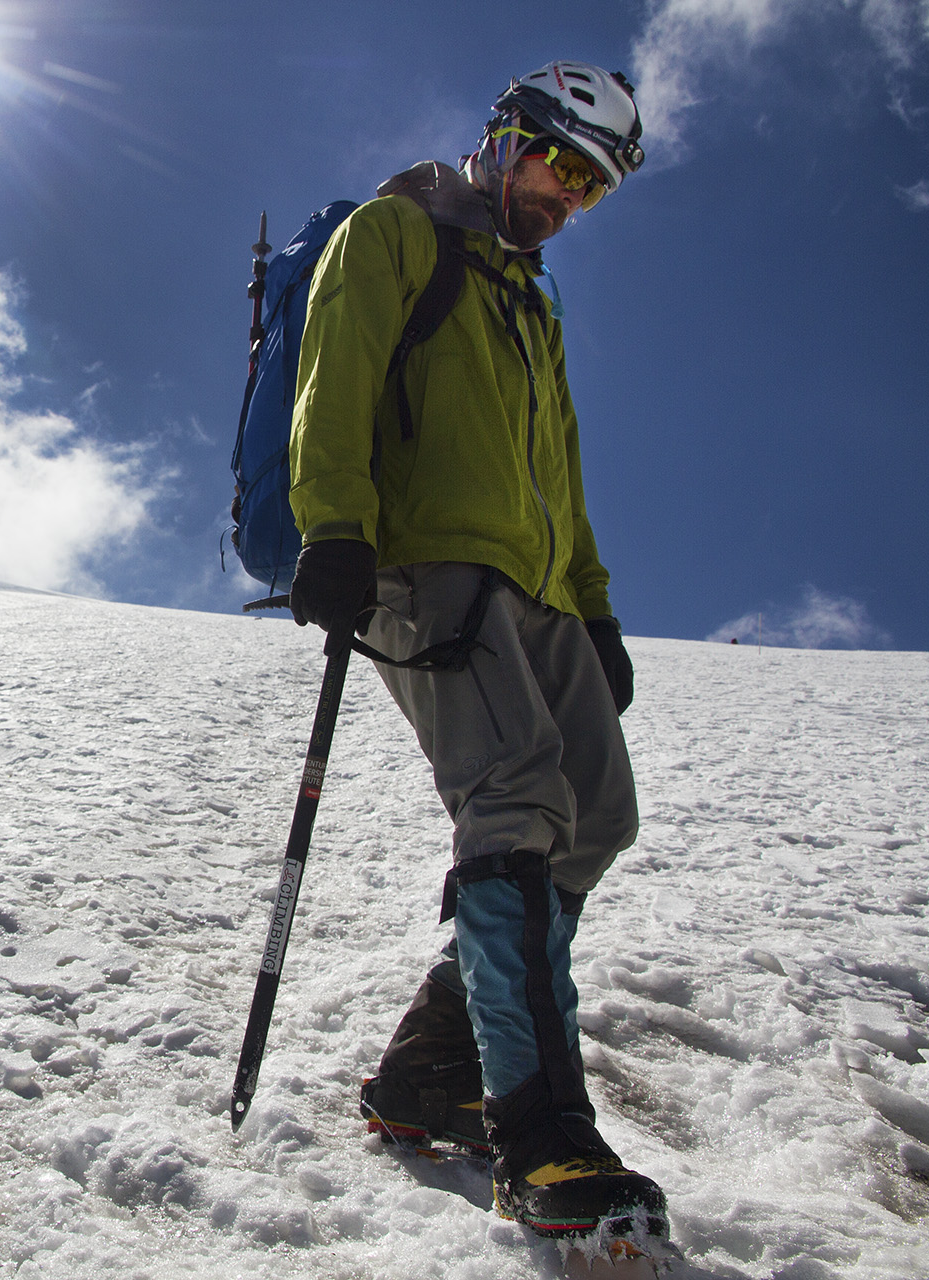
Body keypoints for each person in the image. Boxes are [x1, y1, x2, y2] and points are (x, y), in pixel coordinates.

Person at [284, 62, 667, 1240]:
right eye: (560, 165)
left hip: (541, 589)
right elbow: (331, 378)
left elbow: (564, 475)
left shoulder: (533, 307)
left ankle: (422, 1077)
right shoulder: (395, 233)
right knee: (512, 800)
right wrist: (336, 528)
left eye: (591, 190)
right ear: (505, 138)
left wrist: (593, 607)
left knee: (595, 820)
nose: (566, 197)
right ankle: (541, 1135)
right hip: (421, 566)